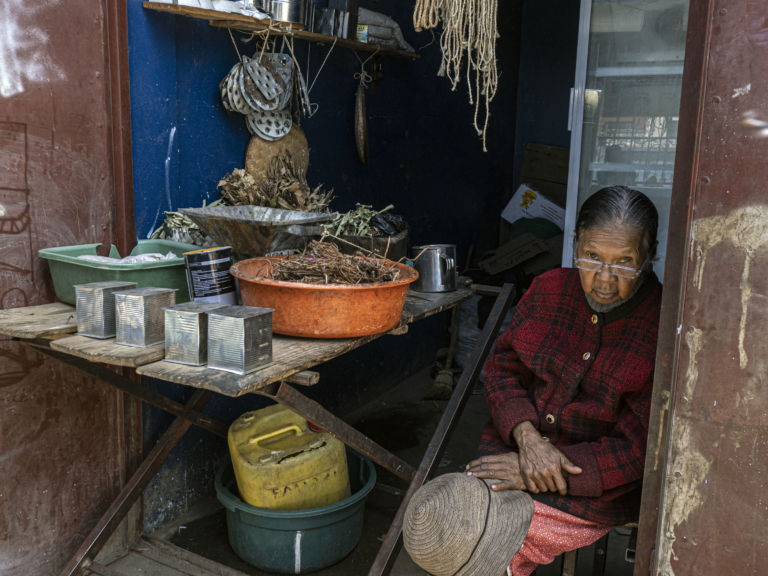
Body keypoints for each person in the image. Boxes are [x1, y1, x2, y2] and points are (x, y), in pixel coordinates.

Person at [403, 186, 662, 576]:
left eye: (624, 262)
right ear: (575, 244)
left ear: (649, 256)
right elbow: (502, 370)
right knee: (449, 523)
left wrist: (536, 472)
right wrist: (526, 437)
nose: (605, 280)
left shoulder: (662, 323)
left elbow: (637, 449)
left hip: (592, 487)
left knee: (489, 547)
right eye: (592, 257)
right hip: (512, 449)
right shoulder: (549, 289)